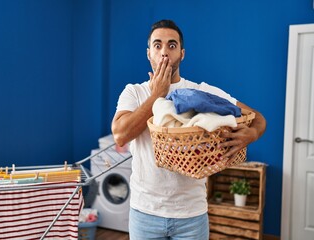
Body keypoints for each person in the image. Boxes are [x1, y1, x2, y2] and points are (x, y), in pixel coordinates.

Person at [111, 19, 266, 240]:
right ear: (148, 53)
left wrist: (252, 133)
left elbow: (258, 118)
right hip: (145, 213)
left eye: (172, 45)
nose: (164, 52)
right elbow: (120, 135)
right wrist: (157, 95)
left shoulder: (201, 91)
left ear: (182, 53)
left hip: (191, 216)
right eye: (157, 45)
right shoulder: (134, 92)